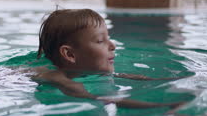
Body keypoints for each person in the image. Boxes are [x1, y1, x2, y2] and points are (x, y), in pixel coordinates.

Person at [35, 8, 187, 109]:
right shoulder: (59, 79)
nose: (113, 45)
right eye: (100, 41)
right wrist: (163, 107)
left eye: (108, 38)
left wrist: (160, 80)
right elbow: (101, 99)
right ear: (70, 55)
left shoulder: (84, 68)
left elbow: (117, 75)